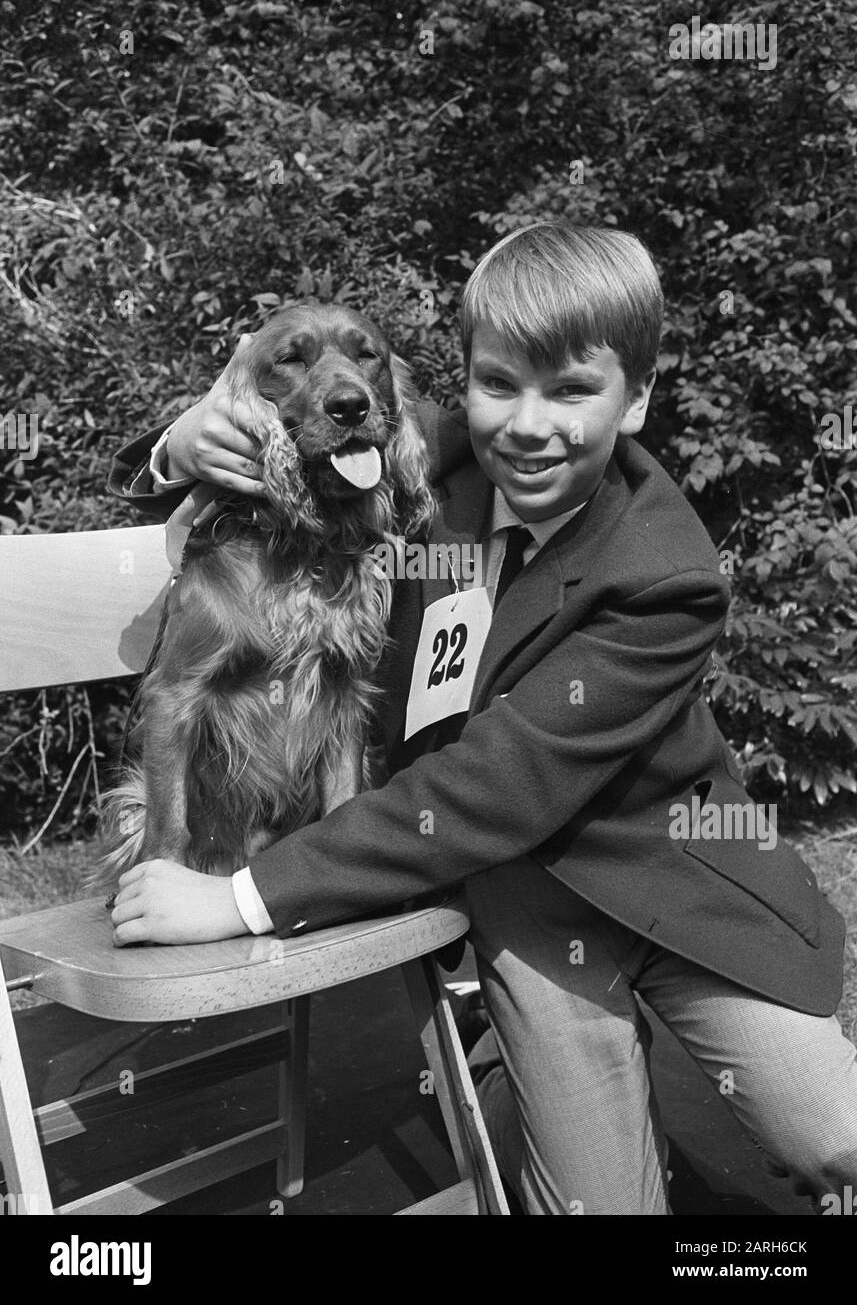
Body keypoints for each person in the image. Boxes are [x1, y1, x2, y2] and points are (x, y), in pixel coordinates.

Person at [106, 222, 857, 1214]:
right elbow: (284, 412)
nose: (529, 426)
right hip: (522, 893)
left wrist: (241, 896)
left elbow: (494, 784)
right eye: (498, 384)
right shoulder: (422, 455)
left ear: (634, 399)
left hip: (666, 872)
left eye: (572, 391)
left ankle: (545, 1087)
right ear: (461, 382)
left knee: (834, 1143)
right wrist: (180, 439)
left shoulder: (661, 570)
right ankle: (541, 1090)